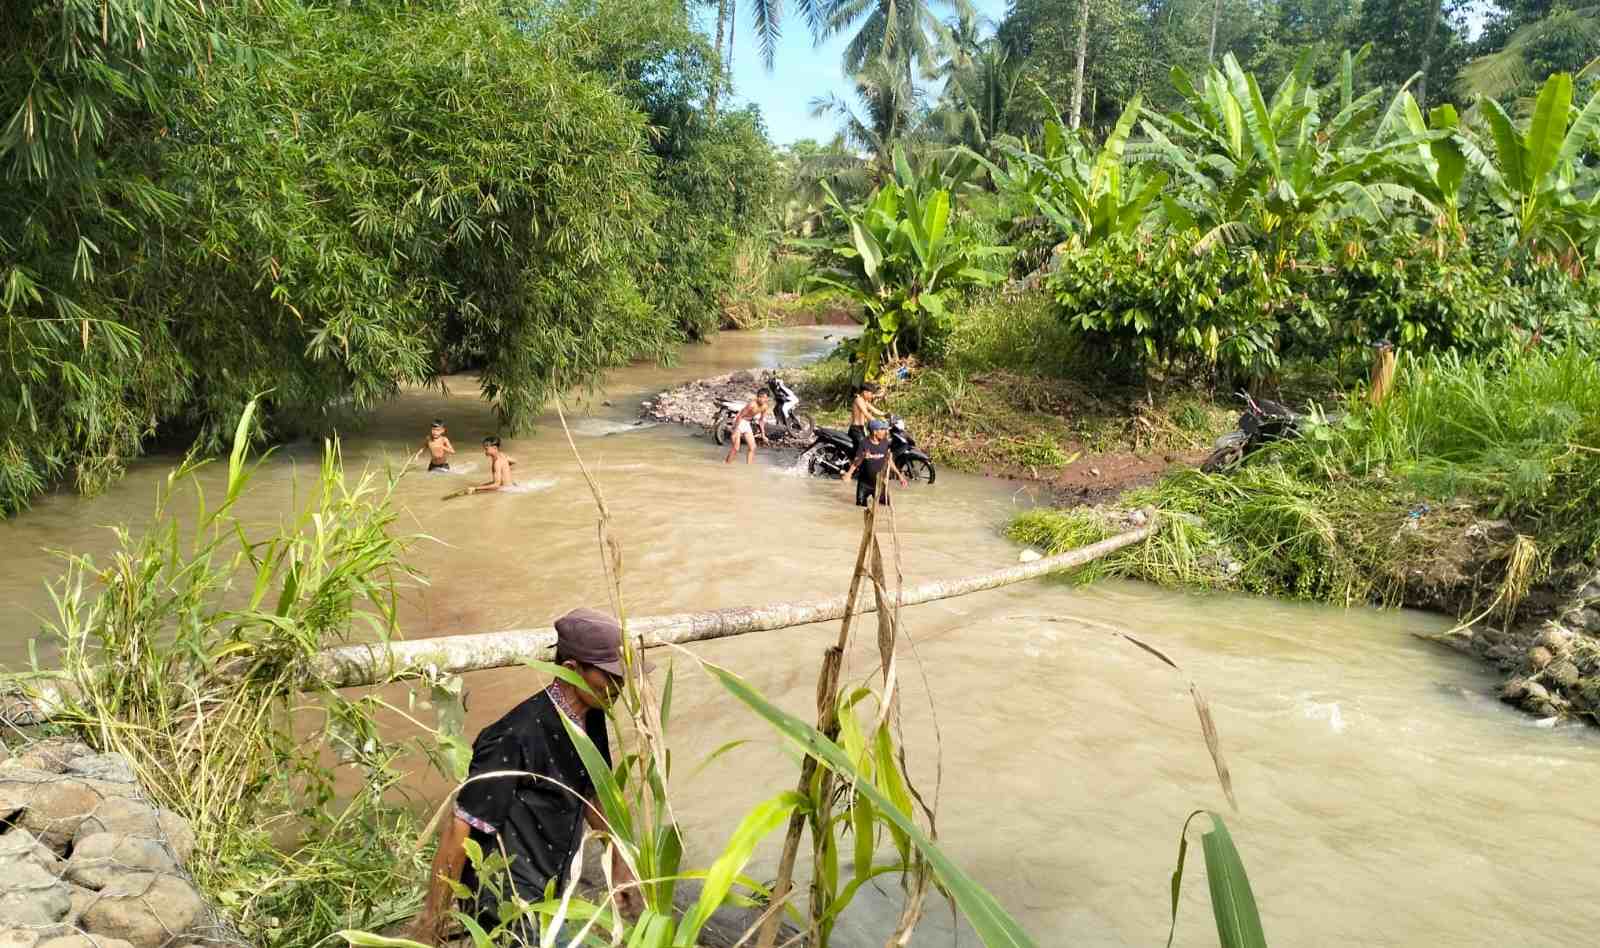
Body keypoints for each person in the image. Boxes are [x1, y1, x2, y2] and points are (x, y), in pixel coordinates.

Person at [408, 608, 648, 945]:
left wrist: (619, 864)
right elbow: (459, 827)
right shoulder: (514, 736)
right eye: (610, 676)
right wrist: (431, 921)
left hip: (550, 887)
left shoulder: (591, 718)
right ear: (570, 670)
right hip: (507, 897)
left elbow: (592, 793)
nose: (619, 687)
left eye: (622, 677)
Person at [843, 418, 906, 508]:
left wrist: (899, 475)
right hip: (864, 485)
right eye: (882, 430)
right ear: (875, 432)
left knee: (887, 507)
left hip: (879, 484)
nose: (885, 432)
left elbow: (889, 460)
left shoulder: (885, 443)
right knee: (859, 509)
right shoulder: (864, 443)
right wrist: (849, 474)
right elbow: (856, 462)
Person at [723, 391, 770, 465]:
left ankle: (748, 466)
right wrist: (734, 430)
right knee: (736, 448)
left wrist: (763, 435)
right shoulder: (752, 405)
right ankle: (726, 464)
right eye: (761, 397)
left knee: (753, 447)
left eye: (764, 398)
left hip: (747, 423)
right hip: (739, 421)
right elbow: (740, 416)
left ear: (767, 399)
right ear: (757, 397)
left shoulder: (765, 407)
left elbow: (761, 421)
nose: (762, 399)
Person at [848, 384, 886, 458]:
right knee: (865, 450)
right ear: (865, 392)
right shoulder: (858, 400)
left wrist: (885, 414)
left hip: (861, 429)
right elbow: (866, 413)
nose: (872, 396)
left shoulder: (864, 401)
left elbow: (874, 410)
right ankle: (853, 467)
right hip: (856, 430)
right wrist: (878, 422)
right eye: (871, 393)